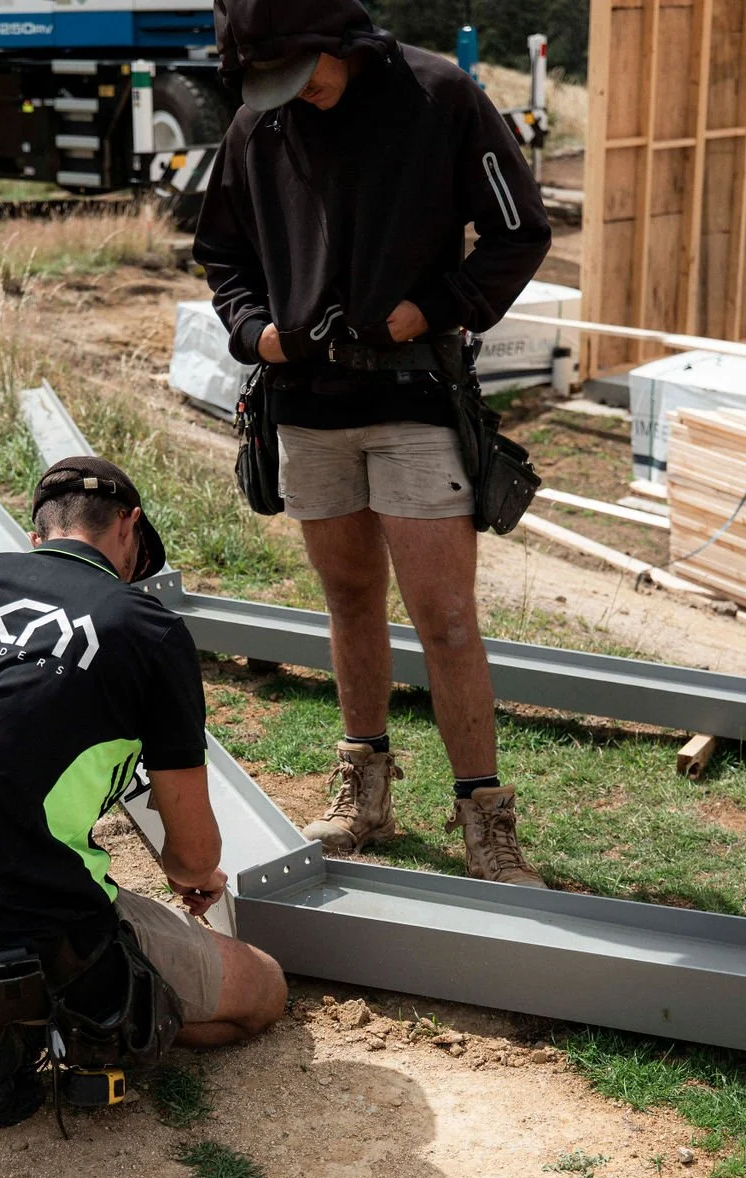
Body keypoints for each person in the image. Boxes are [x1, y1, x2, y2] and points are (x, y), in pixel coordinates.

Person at [194, 0, 553, 886]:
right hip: (307, 407)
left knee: (448, 618)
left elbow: (520, 232)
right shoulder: (257, 123)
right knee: (350, 601)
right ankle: (365, 790)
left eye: (304, 72)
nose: (297, 96)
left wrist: (437, 310)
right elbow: (223, 255)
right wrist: (256, 334)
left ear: (337, 36)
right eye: (271, 83)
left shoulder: (440, 95)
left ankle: (485, 816)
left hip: (415, 400)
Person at [0, 455, 286, 1127]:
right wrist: (195, 876)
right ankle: (35, 1024)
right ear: (129, 525)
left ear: (40, 535)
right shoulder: (149, 632)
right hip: (43, 928)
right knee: (262, 989)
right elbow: (191, 853)